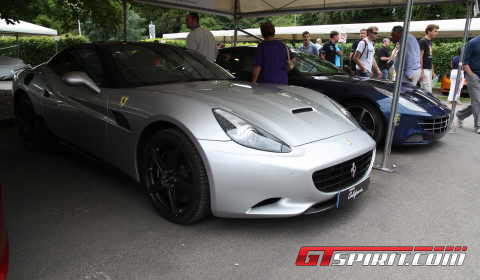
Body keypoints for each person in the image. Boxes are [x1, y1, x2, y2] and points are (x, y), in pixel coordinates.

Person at [456, 35, 480, 134]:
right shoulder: (473, 43)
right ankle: (478, 126)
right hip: (474, 75)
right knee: (478, 101)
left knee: (476, 101)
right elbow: (464, 61)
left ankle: (460, 114)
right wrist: (470, 74)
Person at [419, 24, 439, 93]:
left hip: (429, 69)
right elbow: (420, 56)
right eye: (435, 31)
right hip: (424, 69)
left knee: (429, 89)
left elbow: (430, 58)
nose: (436, 33)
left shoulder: (430, 42)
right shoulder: (423, 41)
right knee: (426, 90)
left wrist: (433, 72)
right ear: (429, 31)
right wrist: (421, 73)